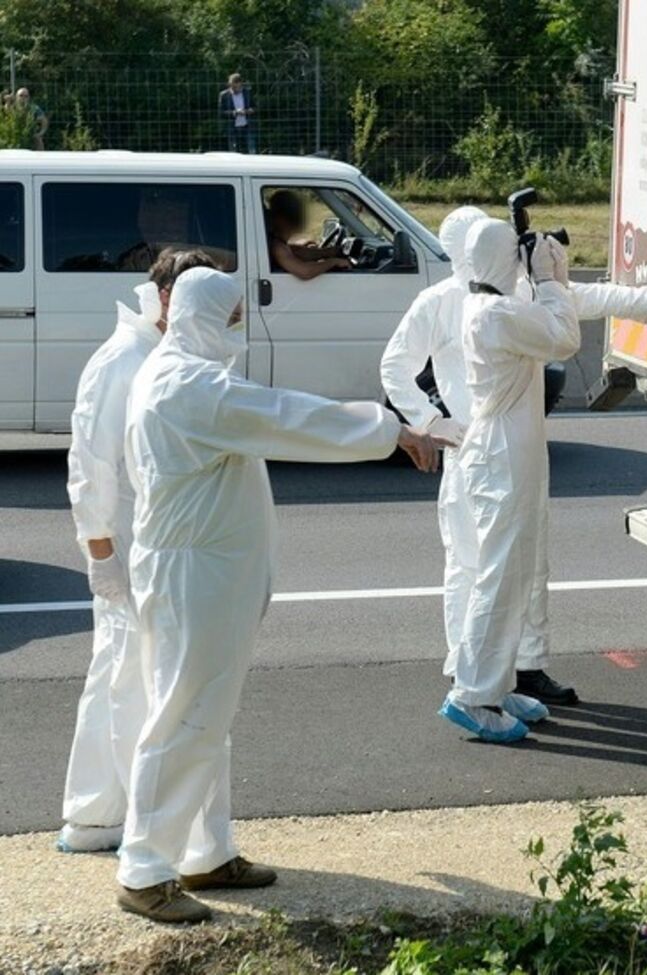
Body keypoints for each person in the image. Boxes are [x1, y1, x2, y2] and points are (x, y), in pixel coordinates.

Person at [116, 267, 452, 923]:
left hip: (198, 570)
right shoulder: (193, 385)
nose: (241, 325)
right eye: (233, 314)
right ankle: (143, 866)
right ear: (206, 317)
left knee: (205, 714)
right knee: (185, 715)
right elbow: (291, 417)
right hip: (194, 576)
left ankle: (205, 849)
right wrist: (392, 430)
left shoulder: (176, 370)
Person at [382, 210, 647, 709]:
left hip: (508, 443)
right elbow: (396, 365)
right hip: (475, 448)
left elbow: (583, 299)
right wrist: (432, 423)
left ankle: (519, 668)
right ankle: (471, 672)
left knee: (523, 566)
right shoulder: (461, 304)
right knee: (475, 567)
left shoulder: (506, 294)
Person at [60, 249, 215, 855]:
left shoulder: (159, 351)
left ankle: (100, 813)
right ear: (168, 297)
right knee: (127, 678)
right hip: (126, 544)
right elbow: (88, 468)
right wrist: (100, 554)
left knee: (127, 674)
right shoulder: (122, 359)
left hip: (154, 541)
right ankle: (116, 821)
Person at [435, 220, 578, 743]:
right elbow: (564, 336)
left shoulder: (491, 306)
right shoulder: (496, 314)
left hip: (505, 450)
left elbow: (551, 319)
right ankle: (472, 695)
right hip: (501, 455)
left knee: (513, 575)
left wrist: (549, 279)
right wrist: (548, 279)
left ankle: (495, 682)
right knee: (498, 577)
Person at [264, 190, 350, 281]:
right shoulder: (277, 248)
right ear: (282, 219)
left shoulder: (279, 242)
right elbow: (305, 272)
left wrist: (328, 252)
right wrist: (333, 262)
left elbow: (299, 252)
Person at [218, 73, 256, 153]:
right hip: (232, 127)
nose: (235, 89)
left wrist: (249, 111)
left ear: (241, 84)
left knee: (251, 148)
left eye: (237, 86)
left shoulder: (247, 93)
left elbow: (255, 107)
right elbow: (221, 112)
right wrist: (235, 112)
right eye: (233, 87)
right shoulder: (224, 95)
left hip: (247, 126)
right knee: (233, 151)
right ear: (230, 85)